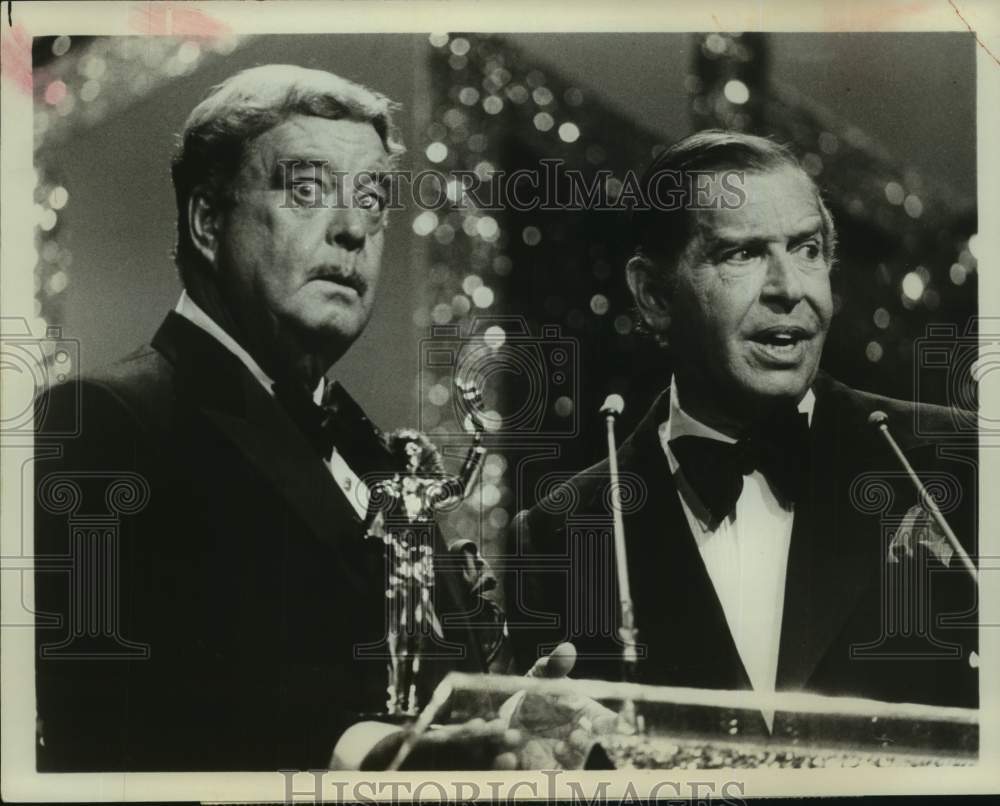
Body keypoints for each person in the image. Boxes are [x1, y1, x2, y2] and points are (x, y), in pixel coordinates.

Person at [32, 64, 516, 772]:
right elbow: (107, 711)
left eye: (374, 200)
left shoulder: (378, 458)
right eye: (309, 190)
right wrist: (368, 754)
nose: (354, 229)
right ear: (207, 220)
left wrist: (511, 716)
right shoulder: (101, 421)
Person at [506, 131, 978, 725]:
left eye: (807, 250)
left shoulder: (959, 460)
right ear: (654, 295)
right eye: (743, 254)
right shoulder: (560, 536)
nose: (790, 289)